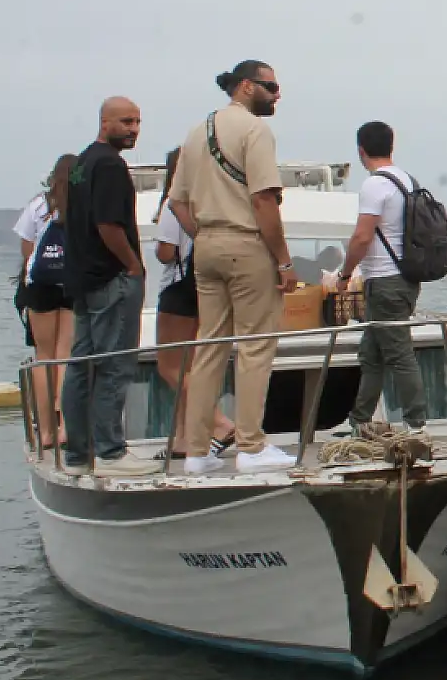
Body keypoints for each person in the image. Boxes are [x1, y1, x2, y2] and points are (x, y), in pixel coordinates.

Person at [170, 62, 298, 475]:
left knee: (208, 348)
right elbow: (264, 201)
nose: (277, 95)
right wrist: (283, 260)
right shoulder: (254, 130)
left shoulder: (196, 132)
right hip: (246, 243)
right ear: (246, 86)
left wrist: (206, 234)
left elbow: (177, 201)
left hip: (206, 245)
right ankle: (251, 446)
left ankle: (195, 452)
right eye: (270, 86)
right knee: (256, 346)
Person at [58, 98, 158, 476]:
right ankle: (111, 452)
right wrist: (133, 265)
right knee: (114, 365)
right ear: (104, 122)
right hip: (111, 279)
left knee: (82, 366)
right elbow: (108, 225)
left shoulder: (82, 163)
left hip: (85, 280)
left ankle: (78, 454)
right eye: (126, 121)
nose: (133, 129)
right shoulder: (110, 165)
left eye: (138, 121)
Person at [335, 122, 429, 437]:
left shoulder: (375, 185)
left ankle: (417, 424)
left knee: (398, 352)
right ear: (392, 145)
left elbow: (362, 237)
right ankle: (360, 420)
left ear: (361, 150)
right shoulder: (408, 181)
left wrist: (345, 274)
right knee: (371, 353)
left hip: (385, 281)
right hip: (403, 279)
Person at [152, 147, 234, 459]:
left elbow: (165, 252)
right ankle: (184, 439)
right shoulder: (211, 201)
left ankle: (219, 421)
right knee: (191, 363)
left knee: (169, 366)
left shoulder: (175, 202)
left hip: (177, 287)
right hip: (204, 285)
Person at [15, 154, 75, 450]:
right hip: (72, 285)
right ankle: (65, 427)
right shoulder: (82, 206)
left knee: (44, 357)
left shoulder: (38, 206)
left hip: (40, 286)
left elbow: (28, 251)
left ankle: (47, 433)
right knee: (65, 355)